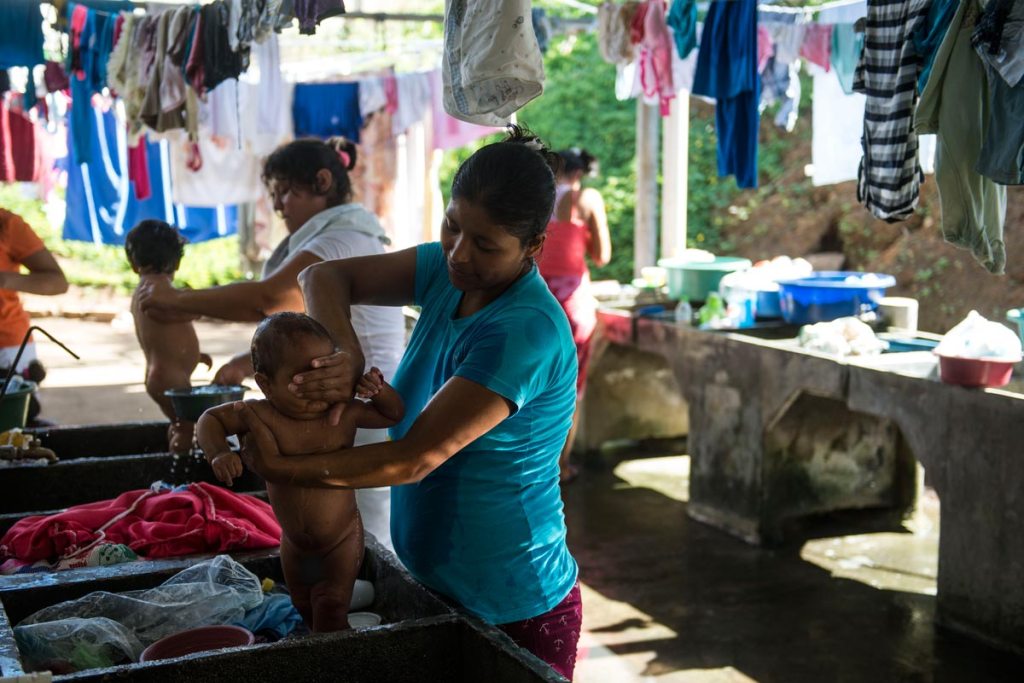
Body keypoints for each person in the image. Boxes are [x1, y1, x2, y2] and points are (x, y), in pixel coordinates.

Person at [234, 127, 583, 680]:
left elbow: (412, 460)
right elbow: (321, 275)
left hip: (514, 602)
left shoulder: (524, 331)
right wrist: (344, 351)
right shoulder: (447, 275)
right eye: (451, 226)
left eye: (486, 245)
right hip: (438, 581)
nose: (460, 253)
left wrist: (281, 468)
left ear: (534, 247)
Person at [137, 137, 405, 552]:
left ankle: (368, 596)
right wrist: (248, 363)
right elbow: (311, 327)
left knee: (360, 527)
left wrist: (177, 302)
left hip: (360, 404)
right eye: (274, 193)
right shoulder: (330, 237)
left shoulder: (343, 239)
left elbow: (270, 299)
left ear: (321, 181)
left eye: (284, 191)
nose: (278, 205)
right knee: (321, 522)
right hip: (331, 399)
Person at [196, 312, 404, 632]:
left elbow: (392, 414)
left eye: (323, 379)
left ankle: (337, 656)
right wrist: (219, 452)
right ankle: (316, 648)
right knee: (303, 604)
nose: (317, 391)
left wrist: (378, 389)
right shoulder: (260, 413)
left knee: (332, 604)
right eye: (300, 383)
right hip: (293, 543)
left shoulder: (342, 413)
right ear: (265, 383)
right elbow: (210, 419)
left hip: (342, 538)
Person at [539, 148, 611, 483]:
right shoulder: (587, 200)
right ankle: (561, 465)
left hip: (537, 303)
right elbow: (602, 255)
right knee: (571, 390)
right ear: (579, 174)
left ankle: (534, 465)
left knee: (535, 386)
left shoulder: (534, 201)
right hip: (572, 308)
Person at [125, 220, 212, 453]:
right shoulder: (157, 290)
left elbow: (164, 335)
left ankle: (174, 459)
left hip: (162, 374)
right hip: (167, 377)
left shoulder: (144, 288)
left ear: (134, 264)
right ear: (177, 261)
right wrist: (203, 306)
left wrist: (194, 354)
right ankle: (178, 468)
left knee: (180, 425)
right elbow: (172, 314)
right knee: (186, 428)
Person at [0, 208, 68, 425]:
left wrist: (5, 280)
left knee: (14, 427)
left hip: (7, 346)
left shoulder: (8, 224)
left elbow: (57, 282)